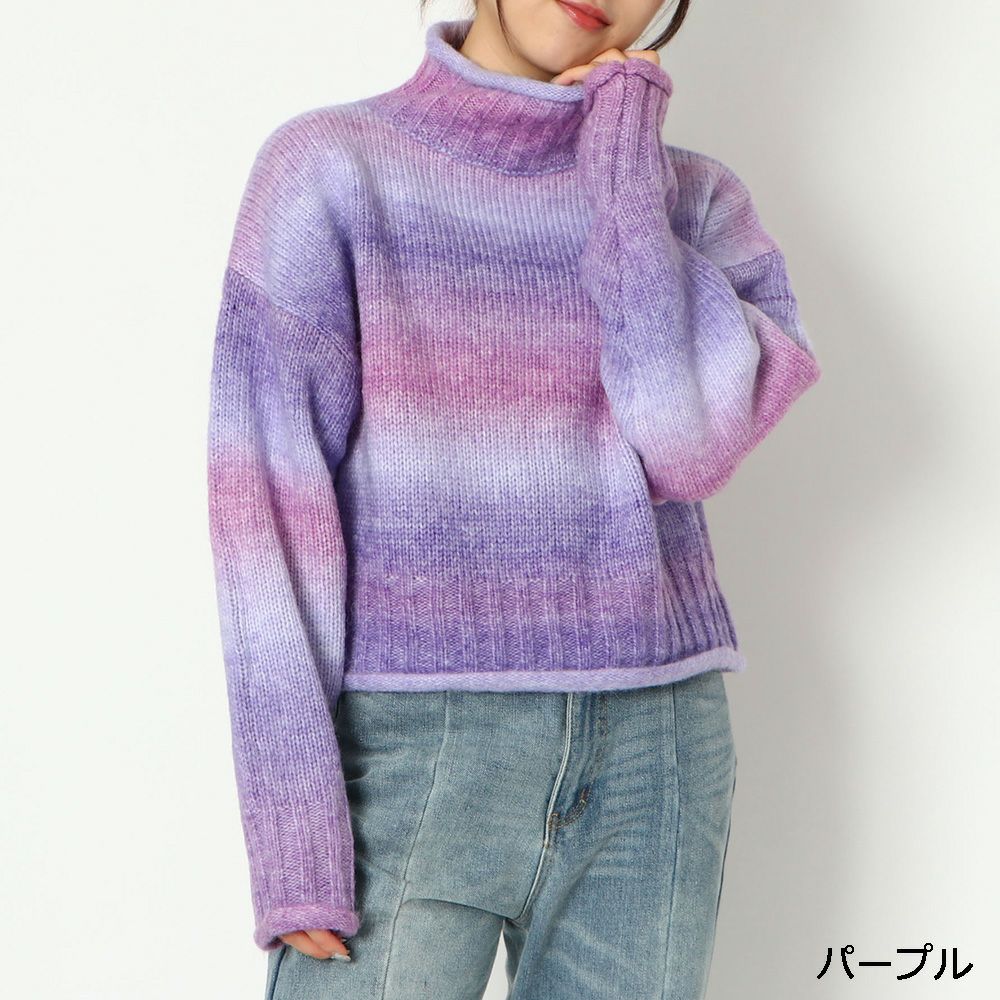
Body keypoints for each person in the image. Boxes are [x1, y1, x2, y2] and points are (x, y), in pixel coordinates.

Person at [206, 1, 821, 997]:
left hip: (655, 754)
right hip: (414, 752)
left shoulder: (696, 201)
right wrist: (292, 829)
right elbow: (264, 514)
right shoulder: (330, 169)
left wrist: (623, 178)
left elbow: (686, 444)